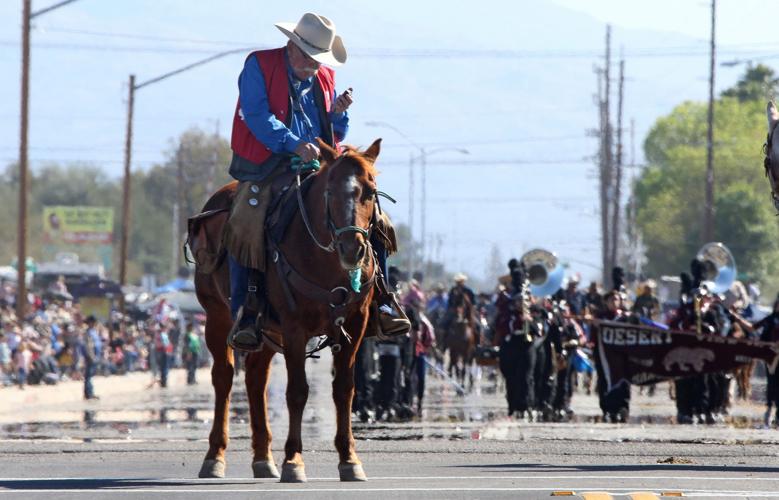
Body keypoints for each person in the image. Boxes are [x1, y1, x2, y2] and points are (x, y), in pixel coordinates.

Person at [223, 12, 409, 351]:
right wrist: (293, 143)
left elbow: (333, 136)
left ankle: (383, 298)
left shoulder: (324, 78)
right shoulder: (259, 66)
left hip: (316, 167)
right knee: (244, 220)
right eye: (309, 57)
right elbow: (256, 116)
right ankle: (246, 311)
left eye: (318, 59)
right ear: (292, 46)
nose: (313, 66)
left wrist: (337, 113)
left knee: (373, 214)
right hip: (265, 166)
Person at [79, 316, 101, 400]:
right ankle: (89, 394)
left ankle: (89, 393)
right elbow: (88, 346)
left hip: (94, 355)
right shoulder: (88, 333)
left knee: (90, 375)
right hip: (91, 356)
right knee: (88, 376)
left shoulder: (93, 332)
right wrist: (91, 356)